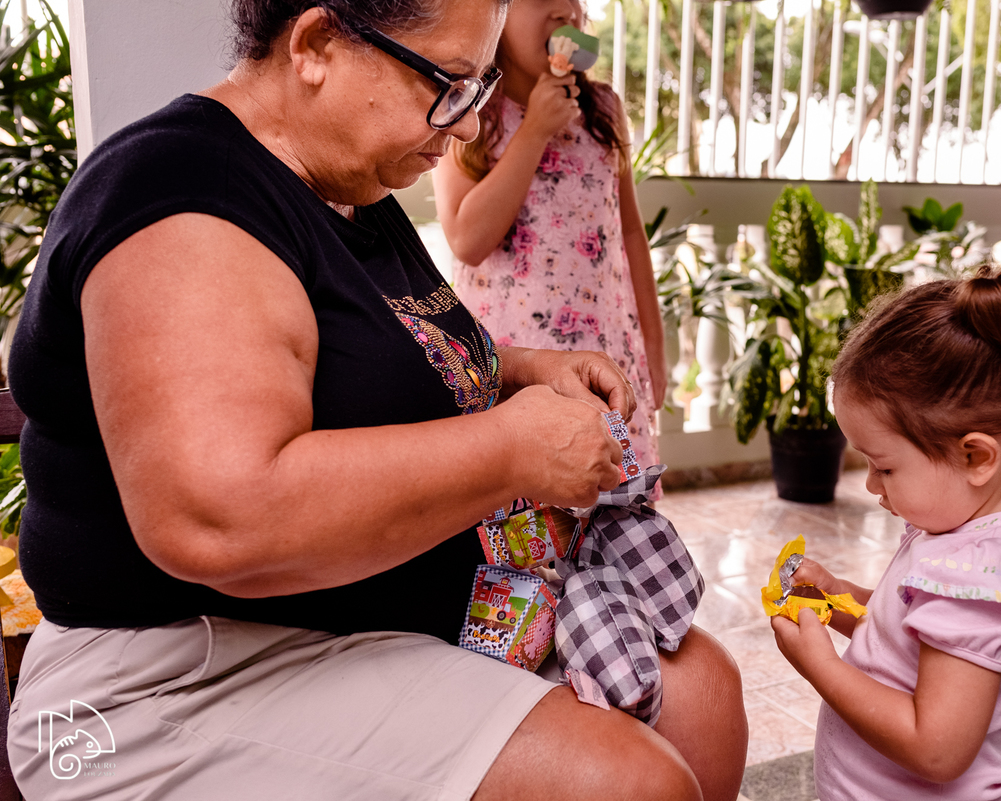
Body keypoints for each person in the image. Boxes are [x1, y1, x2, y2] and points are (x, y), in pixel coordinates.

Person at [4, 1, 748, 799]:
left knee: (702, 691)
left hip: (349, 629)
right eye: (447, 82)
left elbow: (387, 361)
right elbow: (220, 517)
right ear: (318, 45)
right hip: (166, 682)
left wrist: (526, 371)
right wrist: (513, 449)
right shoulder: (182, 195)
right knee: (624, 783)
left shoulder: (349, 189)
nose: (462, 126)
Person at [771, 266, 1001, 801]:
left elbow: (936, 749)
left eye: (884, 467)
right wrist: (837, 600)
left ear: (975, 456)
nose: (871, 484)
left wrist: (818, 665)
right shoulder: (964, 535)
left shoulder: (987, 580)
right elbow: (913, 637)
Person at [431, 0, 667, 477]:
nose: (566, 10)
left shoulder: (603, 109)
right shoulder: (467, 109)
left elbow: (630, 235)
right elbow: (467, 240)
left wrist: (655, 354)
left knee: (609, 495)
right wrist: (535, 128)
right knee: (529, 511)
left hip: (606, 350)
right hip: (516, 362)